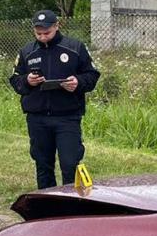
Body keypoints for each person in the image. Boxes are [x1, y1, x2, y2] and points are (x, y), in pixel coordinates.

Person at [10, 10, 100, 189]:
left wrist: (78, 82)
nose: (43, 37)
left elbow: (92, 75)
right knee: (43, 165)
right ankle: (48, 207)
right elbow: (15, 80)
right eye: (38, 33)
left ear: (57, 26)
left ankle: (72, 205)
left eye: (47, 33)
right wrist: (27, 81)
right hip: (38, 118)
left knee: (70, 163)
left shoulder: (75, 47)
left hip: (67, 117)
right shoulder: (27, 51)